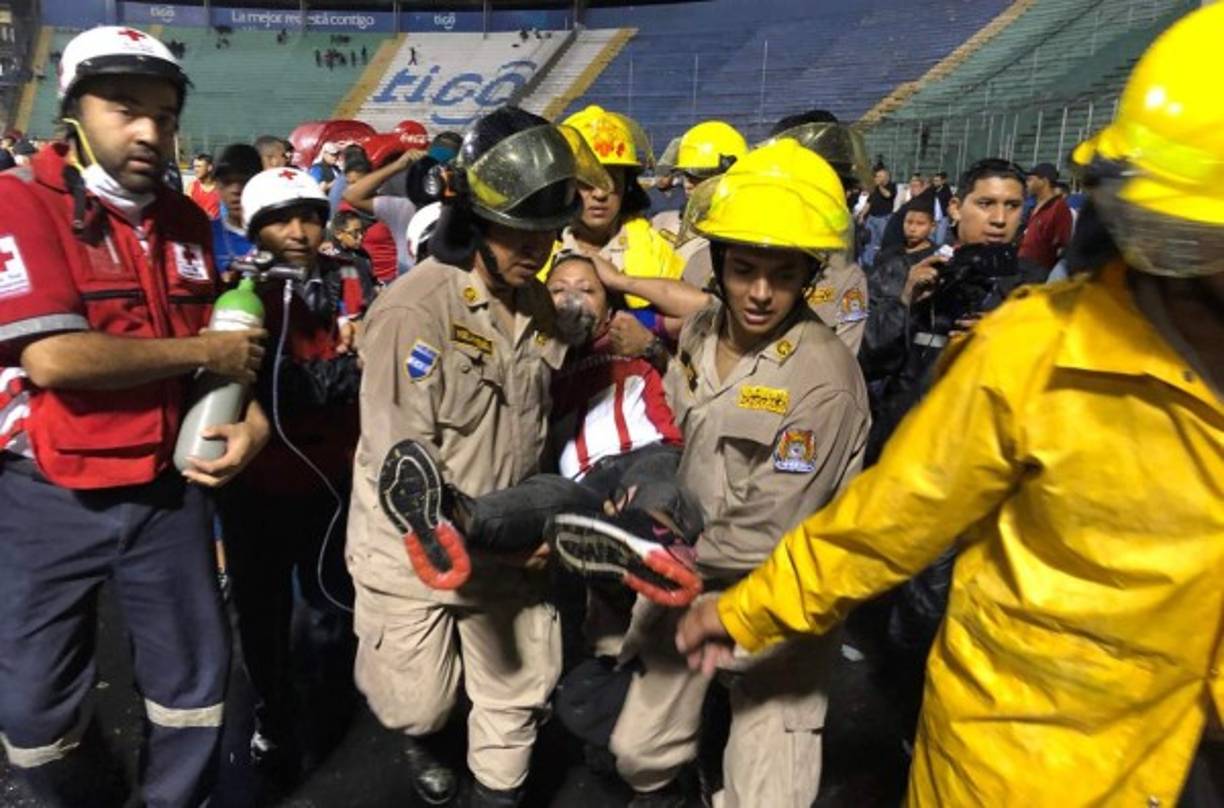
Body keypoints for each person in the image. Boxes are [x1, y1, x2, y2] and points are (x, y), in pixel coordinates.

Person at [676, 7, 1223, 804]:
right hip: (1013, 769)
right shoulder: (1036, 353)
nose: (759, 290)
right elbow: (895, 515)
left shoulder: (837, 361)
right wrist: (753, 605)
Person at [551, 139, 870, 808]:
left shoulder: (823, 381)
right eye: (743, 268)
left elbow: (772, 529)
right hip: (682, 582)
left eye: (783, 275)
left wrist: (647, 549)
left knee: (767, 795)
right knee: (639, 756)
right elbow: (682, 409)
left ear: (809, 276)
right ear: (717, 263)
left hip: (776, 602)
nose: (759, 293)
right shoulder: (701, 331)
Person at [0, 27, 269, 806]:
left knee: (194, 686)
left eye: (164, 114)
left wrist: (246, 421)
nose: (150, 131)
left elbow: (231, 346)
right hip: (46, 491)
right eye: (125, 109)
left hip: (167, 491)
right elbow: (52, 359)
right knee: (31, 706)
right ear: (73, 112)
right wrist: (204, 357)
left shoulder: (187, 220)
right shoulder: (19, 201)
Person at [346, 106, 602, 808]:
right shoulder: (413, 313)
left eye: (548, 232)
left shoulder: (537, 305)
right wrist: (503, 551)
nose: (537, 248)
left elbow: (554, 366)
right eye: (520, 230)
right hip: (416, 545)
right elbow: (410, 477)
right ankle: (425, 737)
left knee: (520, 693)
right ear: (475, 218)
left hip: (507, 534)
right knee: (419, 705)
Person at [218, 167, 367, 786]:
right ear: (256, 229)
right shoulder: (240, 292)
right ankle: (273, 714)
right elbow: (252, 384)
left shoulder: (350, 277)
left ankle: (325, 706)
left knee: (333, 605)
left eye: (310, 215)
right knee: (262, 614)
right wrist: (342, 375)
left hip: (331, 479)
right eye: (282, 220)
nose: (300, 231)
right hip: (257, 486)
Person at [650, 119, 748, 285]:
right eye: (686, 176)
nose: (688, 184)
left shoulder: (743, 242)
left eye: (699, 178)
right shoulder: (662, 222)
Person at [342, 147, 425, 277]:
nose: (354, 187)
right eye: (350, 183)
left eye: (359, 182)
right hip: (369, 277)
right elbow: (351, 195)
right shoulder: (344, 208)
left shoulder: (391, 206)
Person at [211, 143, 263, 278]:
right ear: (217, 185)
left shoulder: (274, 235)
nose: (236, 190)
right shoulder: (204, 234)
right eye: (227, 182)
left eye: (244, 181)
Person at [1018, 161, 1073, 276]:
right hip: (1022, 263)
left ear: (1044, 181)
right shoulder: (1034, 206)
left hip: (1038, 269)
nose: (1027, 184)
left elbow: (1063, 242)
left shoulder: (1059, 208)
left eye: (1031, 179)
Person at [857, 164, 898, 266]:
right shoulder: (874, 188)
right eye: (876, 176)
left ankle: (884, 263)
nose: (876, 178)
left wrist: (879, 186)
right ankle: (868, 264)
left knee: (883, 242)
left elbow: (888, 195)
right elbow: (869, 203)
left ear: (886, 176)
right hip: (872, 218)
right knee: (869, 242)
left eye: (879, 176)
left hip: (883, 219)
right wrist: (862, 215)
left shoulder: (892, 186)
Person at [186, 152, 220, 219]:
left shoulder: (220, 187)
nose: (196, 170)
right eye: (194, 166)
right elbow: (186, 210)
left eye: (199, 166)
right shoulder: (192, 187)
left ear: (209, 168)